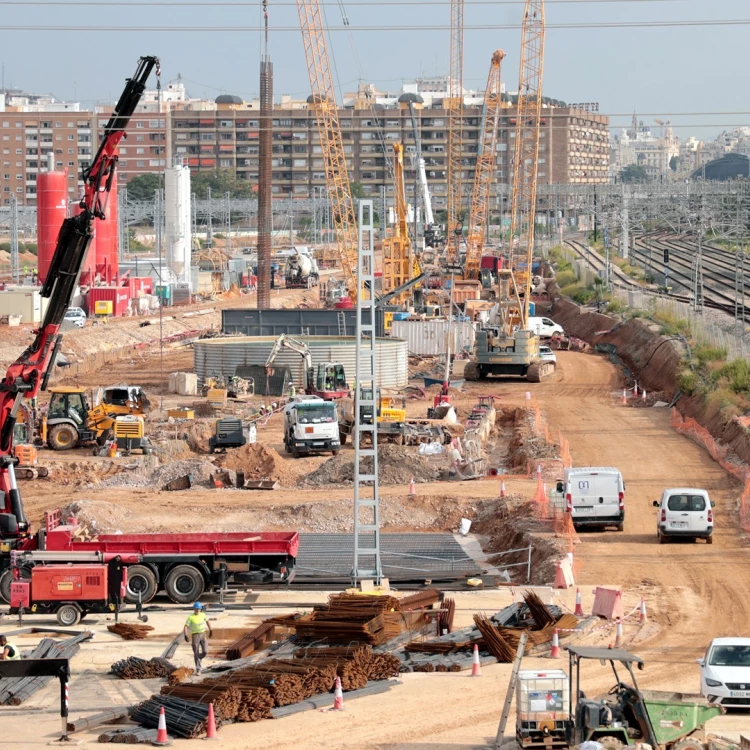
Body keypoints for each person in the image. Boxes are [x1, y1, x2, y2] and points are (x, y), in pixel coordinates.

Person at [183, 602, 212, 674]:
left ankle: (199, 657)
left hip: (203, 634)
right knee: (196, 651)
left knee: (205, 651)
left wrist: (211, 630)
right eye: (196, 609)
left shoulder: (203, 615)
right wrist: (185, 635)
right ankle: (198, 669)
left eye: (198, 609)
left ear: (200, 609)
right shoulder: (191, 617)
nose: (197, 610)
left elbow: (207, 621)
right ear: (194, 609)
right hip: (195, 635)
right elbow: (186, 626)